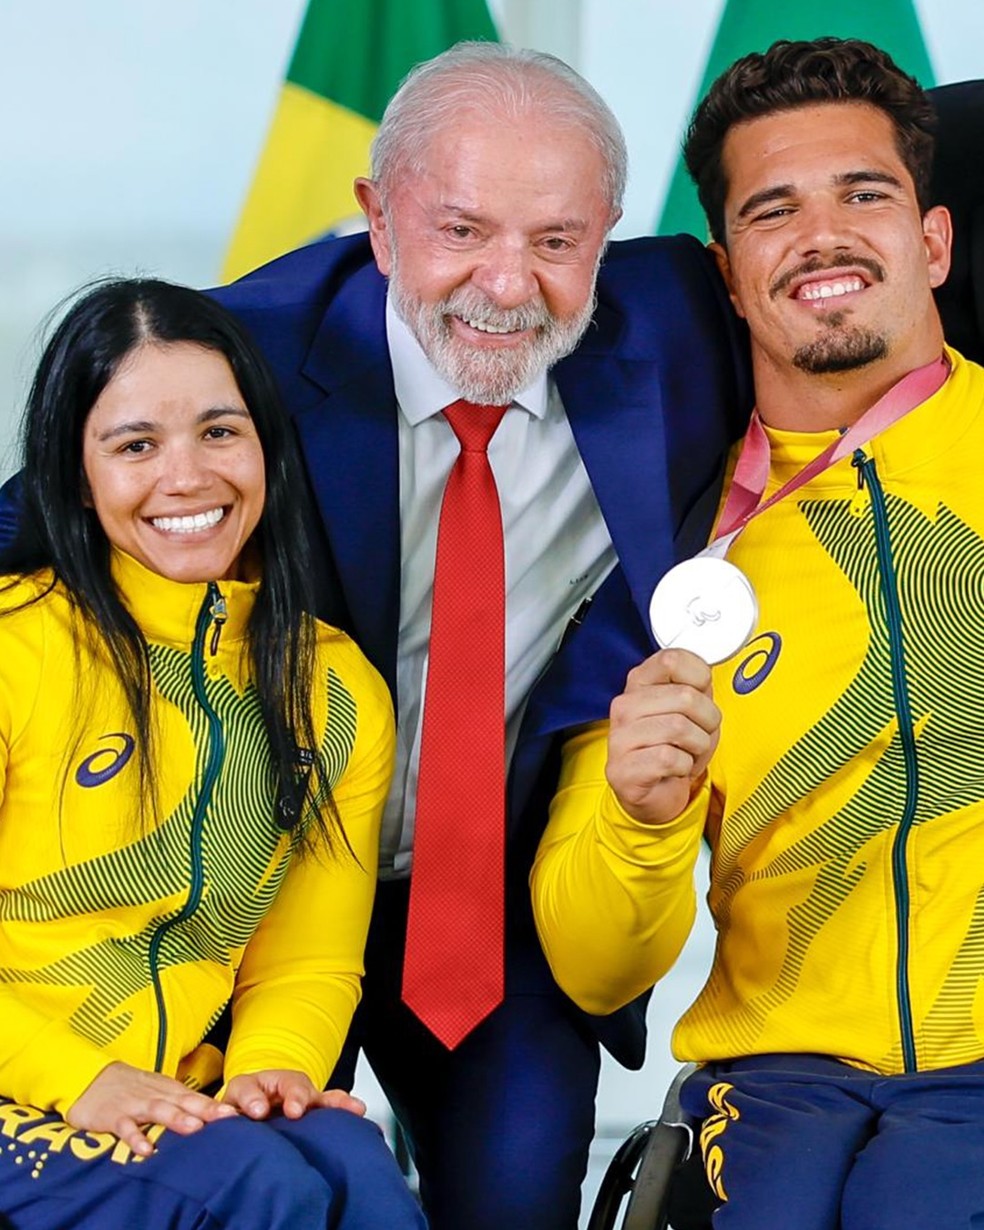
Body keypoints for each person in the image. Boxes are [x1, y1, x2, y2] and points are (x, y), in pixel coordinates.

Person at [206, 41, 753, 1230]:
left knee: (516, 1202)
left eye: (558, 242)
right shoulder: (232, 360)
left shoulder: (682, 327)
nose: (509, 286)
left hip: (491, 892)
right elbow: (36, 521)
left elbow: (879, 247)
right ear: (377, 218)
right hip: (266, 895)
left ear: (609, 231)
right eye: (461, 231)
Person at [531, 35, 984, 1229]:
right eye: (775, 209)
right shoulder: (667, 555)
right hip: (774, 1089)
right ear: (731, 277)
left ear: (933, 242)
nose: (823, 236)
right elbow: (595, 966)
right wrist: (638, 818)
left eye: (864, 195)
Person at [0, 278, 425, 1230]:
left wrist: (271, 1071)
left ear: (266, 446)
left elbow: (308, 955)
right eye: (136, 445)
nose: (187, 477)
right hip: (27, 1085)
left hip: (173, 1099)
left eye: (219, 432)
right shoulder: (13, 648)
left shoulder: (332, 687)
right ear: (75, 473)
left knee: (348, 1159)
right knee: (259, 1184)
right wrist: (80, 1080)